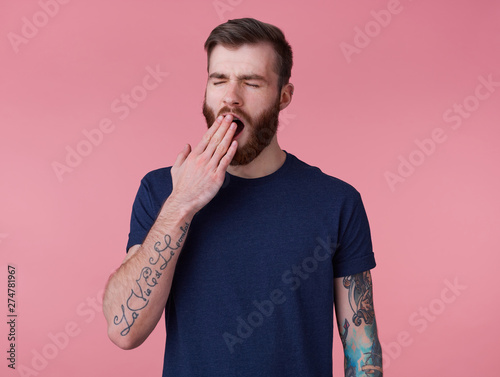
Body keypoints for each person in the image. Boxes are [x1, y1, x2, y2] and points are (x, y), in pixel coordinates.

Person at [103, 17, 383, 377]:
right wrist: (181, 203)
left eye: (251, 83)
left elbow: (361, 350)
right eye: (219, 80)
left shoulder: (337, 202)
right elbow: (123, 330)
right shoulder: (161, 191)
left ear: (284, 96)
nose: (231, 98)